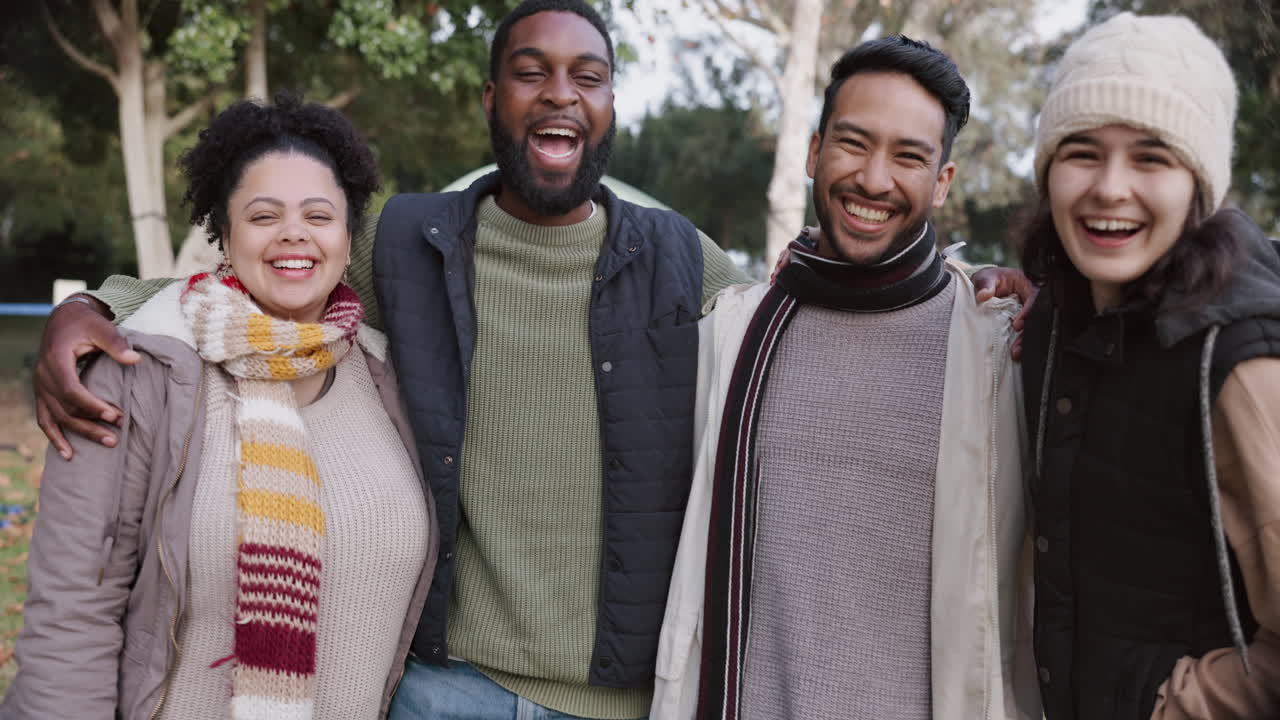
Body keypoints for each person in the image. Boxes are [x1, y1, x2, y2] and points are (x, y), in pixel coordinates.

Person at [27, 2, 1032, 717]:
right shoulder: (404, 243)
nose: (560, 93)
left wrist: (978, 284)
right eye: (530, 71)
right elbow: (271, 268)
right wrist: (96, 308)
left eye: (586, 76)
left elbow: (831, 294)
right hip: (439, 689)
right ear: (489, 101)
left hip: (624, 701)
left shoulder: (690, 262)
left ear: (610, 106)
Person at [3, 94, 436, 719]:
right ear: (224, 236)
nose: (294, 233)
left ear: (347, 237)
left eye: (320, 214)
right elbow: (71, 613)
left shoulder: (391, 376)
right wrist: (85, 307)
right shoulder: (140, 374)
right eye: (264, 216)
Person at [651, 36, 1040, 720]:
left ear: (943, 181)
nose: (874, 179)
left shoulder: (998, 349)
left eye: (909, 156)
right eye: (854, 143)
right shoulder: (733, 333)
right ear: (813, 151)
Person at [1018, 12, 1280, 719]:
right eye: (1081, 151)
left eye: (1151, 157)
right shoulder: (1055, 317)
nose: (1109, 188)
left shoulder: (1240, 362)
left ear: (1199, 186)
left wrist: (1167, 704)